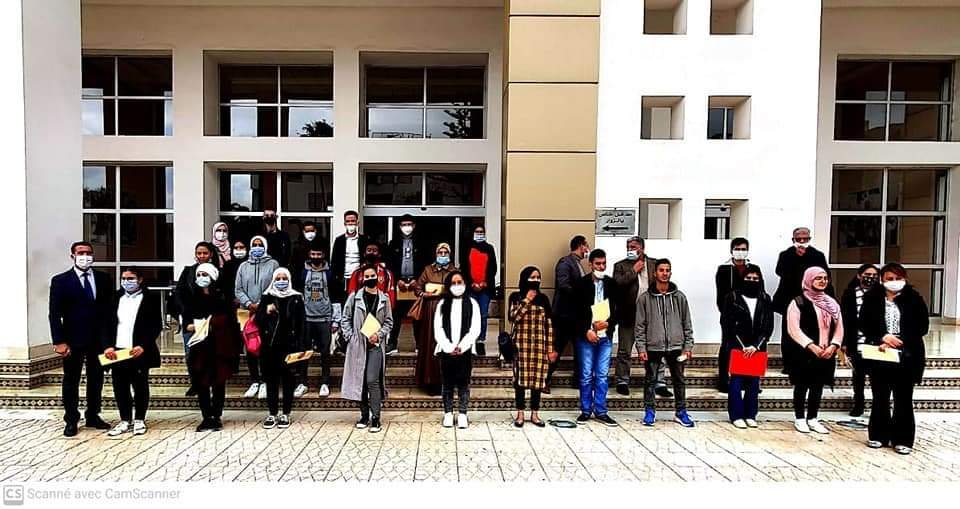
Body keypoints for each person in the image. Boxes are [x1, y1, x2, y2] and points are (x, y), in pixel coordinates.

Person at [859, 263, 929, 455]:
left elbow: (922, 326)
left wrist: (899, 340)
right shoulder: (872, 298)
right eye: (889, 279)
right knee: (880, 396)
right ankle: (878, 435)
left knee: (903, 397)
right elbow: (864, 323)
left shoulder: (914, 299)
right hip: (880, 352)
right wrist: (882, 337)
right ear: (882, 280)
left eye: (898, 278)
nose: (894, 282)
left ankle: (903, 439)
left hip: (907, 354)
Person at [48, 241, 115, 436]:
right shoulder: (61, 281)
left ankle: (93, 415)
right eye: (81, 253)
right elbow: (54, 313)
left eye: (88, 253)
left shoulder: (103, 279)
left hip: (98, 340)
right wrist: (58, 341)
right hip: (72, 340)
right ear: (73, 256)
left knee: (96, 379)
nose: (85, 256)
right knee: (71, 380)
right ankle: (71, 419)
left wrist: (109, 342)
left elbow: (109, 312)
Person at [635, 259, 695, 428]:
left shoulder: (679, 297)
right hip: (653, 345)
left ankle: (681, 412)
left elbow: (687, 323)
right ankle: (649, 411)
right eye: (661, 270)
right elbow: (640, 326)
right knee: (650, 380)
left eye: (667, 270)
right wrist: (641, 347)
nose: (664, 273)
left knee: (679, 380)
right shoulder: (645, 299)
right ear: (655, 273)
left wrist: (688, 346)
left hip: (676, 346)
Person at [103, 267, 162, 436]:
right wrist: (107, 345)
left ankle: (139, 419)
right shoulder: (115, 297)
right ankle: (124, 419)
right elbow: (106, 323)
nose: (126, 282)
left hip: (138, 351)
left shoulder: (150, 298)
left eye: (130, 278)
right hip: (118, 350)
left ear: (140, 279)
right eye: (123, 278)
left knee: (140, 386)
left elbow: (155, 325)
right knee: (120, 386)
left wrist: (143, 345)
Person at [786, 267, 843, 435]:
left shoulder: (831, 303)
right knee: (802, 385)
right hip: (804, 352)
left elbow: (839, 327)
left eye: (825, 278)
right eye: (818, 278)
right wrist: (811, 346)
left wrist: (834, 345)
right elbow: (793, 329)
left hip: (826, 352)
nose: (823, 281)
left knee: (818, 386)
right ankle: (799, 418)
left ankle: (812, 418)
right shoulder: (798, 302)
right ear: (809, 280)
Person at [185, 263, 242, 432]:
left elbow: (230, 320)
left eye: (205, 275)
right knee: (202, 382)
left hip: (219, 345)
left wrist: (214, 323)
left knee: (218, 381)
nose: (201, 278)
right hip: (200, 345)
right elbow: (186, 319)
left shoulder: (222, 297)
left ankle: (216, 415)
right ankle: (206, 416)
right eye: (199, 275)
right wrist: (191, 326)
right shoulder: (192, 297)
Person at [340, 265, 394, 434]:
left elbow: (389, 322)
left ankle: (376, 417)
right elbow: (345, 318)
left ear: (377, 278)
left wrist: (379, 334)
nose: (370, 278)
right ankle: (364, 415)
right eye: (367, 276)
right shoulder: (354, 297)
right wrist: (350, 336)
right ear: (362, 278)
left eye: (372, 276)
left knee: (372, 380)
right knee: (361, 380)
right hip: (358, 345)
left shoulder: (384, 298)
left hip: (375, 346)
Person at [611, 236, 668, 397]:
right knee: (624, 350)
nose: (630, 250)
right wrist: (633, 271)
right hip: (628, 315)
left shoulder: (654, 264)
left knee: (656, 349)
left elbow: (663, 283)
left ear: (642, 248)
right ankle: (622, 381)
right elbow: (616, 285)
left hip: (651, 315)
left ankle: (659, 382)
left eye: (633, 247)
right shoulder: (621, 266)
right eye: (628, 247)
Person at [773, 227, 832, 375]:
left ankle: (809, 362)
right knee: (789, 332)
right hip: (789, 299)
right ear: (793, 240)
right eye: (798, 239)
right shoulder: (786, 254)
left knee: (809, 331)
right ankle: (788, 364)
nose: (801, 241)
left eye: (805, 239)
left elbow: (825, 275)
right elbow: (780, 271)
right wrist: (796, 258)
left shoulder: (817, 255)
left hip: (811, 300)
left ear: (809, 239)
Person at [720, 266, 773, 429]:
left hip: (757, 347)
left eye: (755, 279)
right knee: (736, 382)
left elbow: (768, 325)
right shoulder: (732, 297)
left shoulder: (765, 298)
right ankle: (736, 415)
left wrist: (756, 346)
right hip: (738, 346)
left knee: (754, 383)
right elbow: (726, 323)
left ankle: (750, 415)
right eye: (748, 278)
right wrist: (742, 345)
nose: (752, 281)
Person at [571, 249, 620, 426]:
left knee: (602, 375)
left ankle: (601, 410)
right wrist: (586, 330)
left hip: (605, 336)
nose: (601, 267)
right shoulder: (581, 284)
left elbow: (619, 310)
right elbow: (574, 312)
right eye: (598, 264)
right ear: (590, 264)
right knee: (585, 375)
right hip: (586, 336)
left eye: (603, 263)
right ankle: (585, 410)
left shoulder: (611, 284)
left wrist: (608, 323)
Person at [254, 268, 306, 429]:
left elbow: (302, 324)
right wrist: (266, 311)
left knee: (289, 381)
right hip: (270, 346)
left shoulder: (296, 297)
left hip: (289, 346)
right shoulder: (267, 296)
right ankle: (272, 413)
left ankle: (286, 413)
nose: (281, 281)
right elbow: (257, 320)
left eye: (284, 278)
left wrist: (301, 346)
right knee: (271, 381)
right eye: (278, 278)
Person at [714, 237, 763, 393]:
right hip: (730, 316)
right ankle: (724, 380)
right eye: (737, 249)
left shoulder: (753, 268)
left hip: (751, 315)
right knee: (728, 346)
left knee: (751, 347)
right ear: (732, 250)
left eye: (743, 249)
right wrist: (727, 314)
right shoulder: (724, 269)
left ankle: (751, 382)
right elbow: (720, 295)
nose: (740, 252)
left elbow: (760, 290)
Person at [433, 270, 480, 429]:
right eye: (453, 283)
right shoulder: (442, 304)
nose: (457, 286)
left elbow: (475, 328)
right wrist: (448, 346)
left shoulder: (472, 303)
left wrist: (462, 346)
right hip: (446, 350)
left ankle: (462, 413)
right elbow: (438, 328)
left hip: (465, 350)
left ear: (465, 284)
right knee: (447, 383)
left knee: (463, 383)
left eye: (460, 282)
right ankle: (448, 413)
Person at [235, 235, 280, 399]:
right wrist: (249, 303)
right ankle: (255, 380)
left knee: (265, 347)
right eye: (254, 244)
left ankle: (266, 381)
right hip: (247, 312)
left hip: (266, 312)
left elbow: (275, 286)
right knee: (250, 346)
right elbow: (238, 289)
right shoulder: (243, 266)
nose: (257, 247)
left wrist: (261, 305)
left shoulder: (273, 264)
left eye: (260, 244)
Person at [293, 241, 340, 398]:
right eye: (313, 254)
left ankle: (325, 383)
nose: (316, 257)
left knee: (325, 353)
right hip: (306, 318)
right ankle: (302, 383)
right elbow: (297, 294)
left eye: (318, 254)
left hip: (325, 318)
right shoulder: (303, 272)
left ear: (323, 255)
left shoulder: (330, 273)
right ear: (309, 255)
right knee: (304, 352)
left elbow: (336, 297)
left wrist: (336, 320)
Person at [508, 267, 553, 428]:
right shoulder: (515, 297)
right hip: (521, 347)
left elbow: (549, 325)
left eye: (538, 277)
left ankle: (535, 414)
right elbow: (513, 317)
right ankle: (520, 414)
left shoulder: (543, 299)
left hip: (539, 347)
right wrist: (526, 300)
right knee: (520, 382)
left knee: (537, 381)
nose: (535, 280)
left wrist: (550, 348)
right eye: (532, 277)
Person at [547, 235, 590, 390]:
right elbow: (563, 285)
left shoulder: (577, 264)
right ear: (580, 246)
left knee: (580, 348)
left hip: (575, 315)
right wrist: (581, 294)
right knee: (558, 346)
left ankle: (578, 380)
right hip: (564, 315)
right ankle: (545, 378)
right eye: (586, 246)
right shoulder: (565, 263)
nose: (587, 249)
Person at [413, 243, 456, 395]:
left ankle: (447, 382)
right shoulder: (428, 270)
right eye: (440, 252)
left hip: (448, 311)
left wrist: (447, 292)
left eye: (445, 252)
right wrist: (425, 294)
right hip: (430, 312)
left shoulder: (455, 271)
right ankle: (429, 381)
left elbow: (460, 289)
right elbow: (417, 288)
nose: (442, 255)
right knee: (430, 345)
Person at [840, 263, 879, 417]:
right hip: (855, 341)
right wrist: (844, 342)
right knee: (858, 376)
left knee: (877, 378)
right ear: (859, 275)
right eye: (867, 275)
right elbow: (844, 318)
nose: (870, 278)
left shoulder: (881, 294)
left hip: (875, 342)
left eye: (874, 276)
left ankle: (878, 407)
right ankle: (858, 404)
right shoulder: (850, 294)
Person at [387, 214, 429, 355]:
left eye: (409, 224)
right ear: (399, 227)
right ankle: (392, 344)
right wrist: (397, 279)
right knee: (396, 315)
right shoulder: (393, 243)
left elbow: (426, 264)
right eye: (404, 225)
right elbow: (390, 264)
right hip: (399, 284)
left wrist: (417, 280)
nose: (407, 227)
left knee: (417, 315)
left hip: (416, 284)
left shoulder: (422, 243)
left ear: (414, 226)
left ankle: (419, 345)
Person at [460, 224, 497, 355]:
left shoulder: (489, 248)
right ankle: (470, 340)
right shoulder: (467, 248)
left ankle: (480, 341)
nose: (479, 234)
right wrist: (471, 284)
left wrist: (484, 283)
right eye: (477, 232)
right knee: (470, 315)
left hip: (485, 289)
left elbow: (493, 268)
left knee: (483, 315)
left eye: (481, 232)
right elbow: (464, 268)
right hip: (471, 289)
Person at [331, 210, 370, 297]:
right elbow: (334, 261)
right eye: (348, 221)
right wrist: (336, 278)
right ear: (344, 223)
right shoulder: (339, 240)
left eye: (353, 221)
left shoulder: (364, 240)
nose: (350, 223)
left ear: (357, 223)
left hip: (360, 278)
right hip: (343, 279)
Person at [347, 241, 397, 306]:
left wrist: (388, 310)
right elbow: (351, 295)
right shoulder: (357, 273)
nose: (371, 252)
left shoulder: (387, 274)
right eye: (369, 250)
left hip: (380, 309)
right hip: (361, 308)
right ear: (364, 254)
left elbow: (391, 295)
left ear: (379, 254)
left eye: (375, 250)